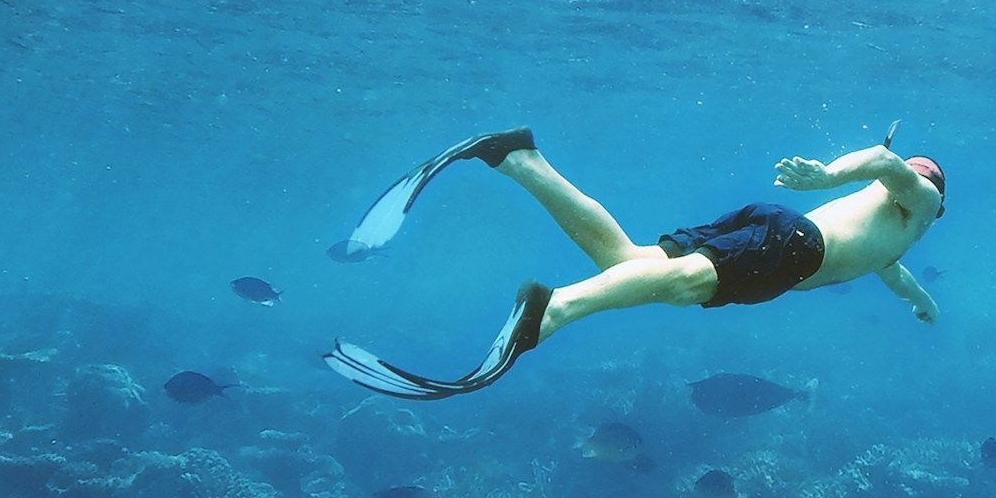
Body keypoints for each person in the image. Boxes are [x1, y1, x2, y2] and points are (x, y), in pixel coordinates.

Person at [322, 128, 944, 400]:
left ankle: (518, 159)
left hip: (779, 229)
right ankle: (553, 310)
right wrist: (829, 174)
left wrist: (921, 302)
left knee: (626, 260)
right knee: (680, 285)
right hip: (796, 248)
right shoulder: (922, 199)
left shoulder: (895, 240)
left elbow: (891, 271)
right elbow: (888, 165)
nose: (914, 180)